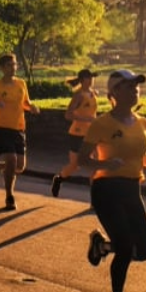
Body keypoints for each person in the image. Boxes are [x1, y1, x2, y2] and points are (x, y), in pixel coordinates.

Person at [79, 69, 146, 292]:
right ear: (113, 93)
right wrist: (104, 166)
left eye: (136, 85)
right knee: (126, 248)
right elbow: (83, 160)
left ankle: (102, 246)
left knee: (144, 250)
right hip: (107, 190)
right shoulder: (101, 124)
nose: (134, 89)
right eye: (127, 86)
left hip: (132, 189)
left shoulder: (143, 122)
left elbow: (139, 150)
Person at [0, 53, 40, 210]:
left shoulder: (21, 84)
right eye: (10, 65)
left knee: (19, 166)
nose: (14, 68)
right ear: (2, 68)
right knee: (11, 160)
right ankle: (9, 197)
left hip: (18, 127)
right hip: (1, 127)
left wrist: (31, 107)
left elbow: (25, 103)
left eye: (15, 64)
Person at [51, 69, 98, 198]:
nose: (92, 80)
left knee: (95, 164)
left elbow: (92, 113)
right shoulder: (78, 95)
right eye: (89, 78)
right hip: (77, 133)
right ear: (82, 80)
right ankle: (59, 179)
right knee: (75, 165)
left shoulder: (93, 94)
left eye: (92, 77)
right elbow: (68, 115)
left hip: (91, 134)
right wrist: (85, 119)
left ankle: (95, 198)